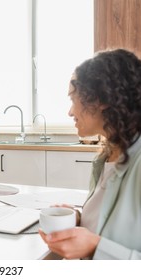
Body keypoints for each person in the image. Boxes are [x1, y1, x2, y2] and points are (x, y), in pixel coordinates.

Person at [39, 49, 141, 260]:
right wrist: (80, 219)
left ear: (101, 98)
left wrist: (96, 248)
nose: (70, 112)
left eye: (73, 99)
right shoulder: (106, 159)